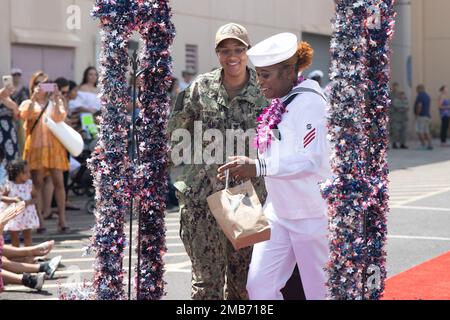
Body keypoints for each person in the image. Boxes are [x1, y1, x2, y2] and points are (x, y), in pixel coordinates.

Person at [218, 33, 331, 300]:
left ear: (289, 71)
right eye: (258, 74)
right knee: (259, 288)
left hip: (310, 214)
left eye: (265, 75)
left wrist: (258, 167)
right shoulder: (281, 101)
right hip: (279, 211)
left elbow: (310, 161)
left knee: (320, 292)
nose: (259, 82)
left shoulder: (310, 103)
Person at [168, 22, 268, 300]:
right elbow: (176, 134)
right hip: (202, 199)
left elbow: (280, 141)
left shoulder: (264, 90)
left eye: (238, 49)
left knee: (242, 284)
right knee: (205, 285)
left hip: (247, 199)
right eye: (224, 50)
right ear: (217, 54)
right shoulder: (200, 87)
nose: (231, 56)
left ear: (248, 52)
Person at [19, 71, 70, 233]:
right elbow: (24, 116)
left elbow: (60, 117)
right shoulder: (28, 102)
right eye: (38, 83)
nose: (41, 87)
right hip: (36, 148)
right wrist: (34, 98)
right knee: (37, 185)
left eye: (45, 83)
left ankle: (62, 219)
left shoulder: (54, 102)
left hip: (54, 148)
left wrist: (56, 98)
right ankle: (40, 220)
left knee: (59, 184)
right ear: (33, 85)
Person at [2, 159, 39, 247]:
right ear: (17, 174)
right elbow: (2, 197)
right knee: (14, 236)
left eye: (28, 172)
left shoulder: (29, 184)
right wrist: (13, 200)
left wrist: (28, 202)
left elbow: (36, 197)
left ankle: (28, 254)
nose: (28, 174)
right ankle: (16, 254)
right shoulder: (9, 185)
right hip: (14, 215)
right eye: (25, 172)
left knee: (27, 236)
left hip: (27, 214)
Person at [10, 68, 29, 158]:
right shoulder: (8, 90)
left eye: (18, 75)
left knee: (22, 140)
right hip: (10, 118)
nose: (16, 77)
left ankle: (22, 159)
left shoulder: (25, 89)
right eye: (14, 75)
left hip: (21, 117)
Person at [0, 84, 20, 162]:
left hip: (9, 134)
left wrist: (14, 107)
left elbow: (16, 117)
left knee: (11, 161)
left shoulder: (7, 97)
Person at [389, 83, 409, 149]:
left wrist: (402, 107)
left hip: (403, 117)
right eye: (394, 87)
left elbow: (407, 106)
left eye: (396, 87)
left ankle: (402, 143)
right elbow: (395, 106)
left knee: (403, 132)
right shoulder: (390, 95)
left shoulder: (401, 95)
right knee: (395, 131)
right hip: (394, 116)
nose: (395, 88)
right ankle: (394, 143)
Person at [414, 84, 433, 150]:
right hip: (427, 116)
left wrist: (417, 114)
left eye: (417, 89)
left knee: (419, 131)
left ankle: (423, 145)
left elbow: (419, 105)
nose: (416, 91)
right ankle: (430, 145)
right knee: (426, 131)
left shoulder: (420, 95)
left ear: (419, 89)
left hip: (421, 116)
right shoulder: (427, 96)